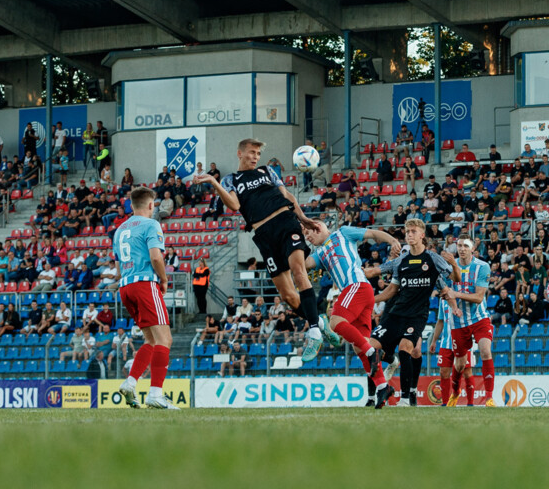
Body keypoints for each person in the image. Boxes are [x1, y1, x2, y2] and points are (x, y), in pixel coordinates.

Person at [192, 138, 324, 362]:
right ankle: (319, 322)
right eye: (251, 152)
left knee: (298, 270)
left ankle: (313, 332)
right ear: (240, 153)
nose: (255, 157)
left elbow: (287, 196)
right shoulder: (231, 179)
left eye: (257, 154)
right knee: (288, 296)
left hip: (285, 222)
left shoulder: (267, 171)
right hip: (264, 235)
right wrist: (215, 184)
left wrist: (302, 217)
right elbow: (234, 205)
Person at [368, 219, 460, 409]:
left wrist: (454, 265)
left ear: (422, 235)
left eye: (412, 231)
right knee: (370, 347)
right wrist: (371, 300)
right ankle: (382, 388)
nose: (409, 235)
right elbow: (391, 290)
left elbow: (454, 278)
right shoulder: (401, 261)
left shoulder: (433, 259)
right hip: (396, 313)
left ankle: (404, 398)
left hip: (417, 315)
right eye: (407, 231)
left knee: (405, 348)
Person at [303, 220, 401, 389]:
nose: (307, 238)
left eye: (307, 233)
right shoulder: (319, 253)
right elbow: (303, 265)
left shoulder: (343, 233)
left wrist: (392, 241)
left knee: (334, 322)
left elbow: (372, 233)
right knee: (359, 346)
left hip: (356, 286)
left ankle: (373, 353)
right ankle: (382, 388)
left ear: (317, 228)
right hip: (361, 292)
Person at [113, 186, 178, 410]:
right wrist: (164, 279)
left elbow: (118, 267)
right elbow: (155, 257)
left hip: (125, 287)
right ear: (151, 205)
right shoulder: (151, 224)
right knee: (165, 339)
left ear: (131, 206)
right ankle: (156, 394)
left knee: (151, 340)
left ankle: (131, 382)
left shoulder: (119, 230)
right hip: (144, 283)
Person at [444, 236, 497, 407]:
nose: (462, 248)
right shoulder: (449, 267)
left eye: (466, 245)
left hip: (479, 318)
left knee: (485, 351)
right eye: (459, 245)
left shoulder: (482, 266)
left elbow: (479, 297)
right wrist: (453, 307)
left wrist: (456, 295)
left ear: (473, 249)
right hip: (458, 321)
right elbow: (447, 292)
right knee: (459, 364)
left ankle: (489, 397)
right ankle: (455, 392)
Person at [429, 298, 474, 406]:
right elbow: (440, 321)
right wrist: (434, 341)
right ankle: (445, 404)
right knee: (443, 372)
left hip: (463, 341)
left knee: (467, 372)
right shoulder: (443, 299)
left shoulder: (464, 295)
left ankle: (470, 404)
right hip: (446, 343)